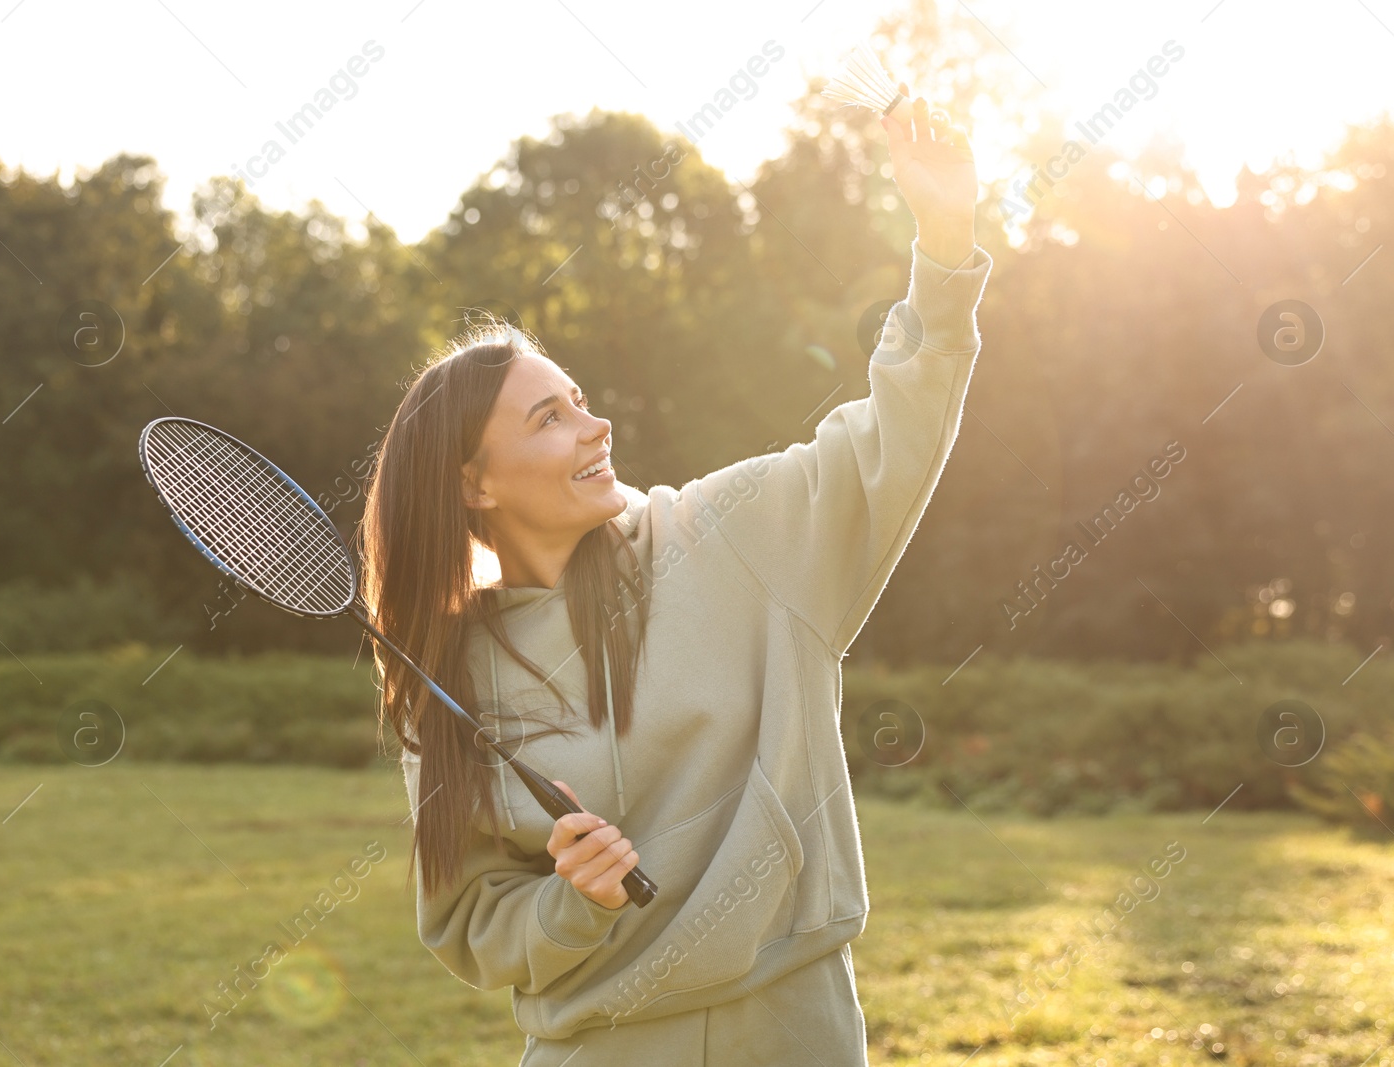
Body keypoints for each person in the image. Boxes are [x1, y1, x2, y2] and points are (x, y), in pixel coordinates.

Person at [358, 91, 993, 1066]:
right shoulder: (448, 677)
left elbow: (892, 433)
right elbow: (476, 926)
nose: (594, 424)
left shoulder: (733, 534)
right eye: (548, 420)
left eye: (578, 400)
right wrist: (571, 904)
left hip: (790, 1031)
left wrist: (944, 249)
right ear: (473, 484)